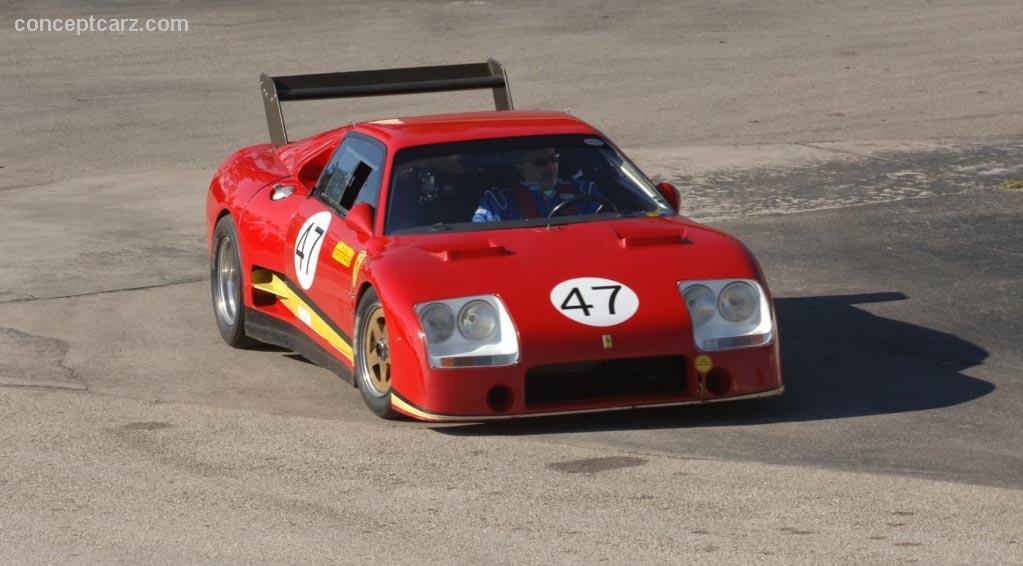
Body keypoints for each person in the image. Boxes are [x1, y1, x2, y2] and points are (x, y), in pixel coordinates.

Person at [472, 147, 604, 222]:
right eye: (540, 162)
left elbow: (607, 227)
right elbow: (480, 233)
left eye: (554, 159)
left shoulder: (585, 190)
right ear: (522, 167)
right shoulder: (499, 200)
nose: (551, 166)